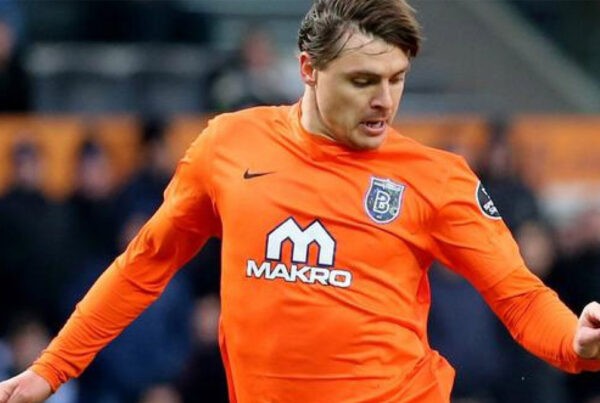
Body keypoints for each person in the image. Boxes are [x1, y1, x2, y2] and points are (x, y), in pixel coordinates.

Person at [2, 1, 600, 402]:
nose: (384, 100)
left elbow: (520, 297)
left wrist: (576, 344)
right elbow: (145, 264)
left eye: (396, 78)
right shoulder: (228, 146)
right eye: (363, 81)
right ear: (309, 69)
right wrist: (53, 368)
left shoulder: (436, 179)